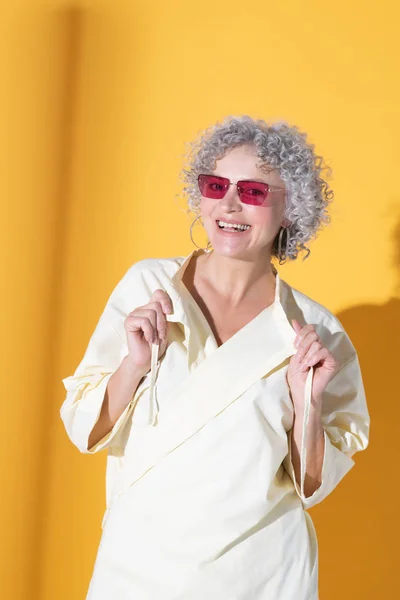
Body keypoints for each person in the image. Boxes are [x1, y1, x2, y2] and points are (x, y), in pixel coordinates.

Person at [61, 115, 369, 599]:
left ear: (292, 208)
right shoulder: (148, 286)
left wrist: (305, 402)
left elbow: (312, 487)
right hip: (138, 564)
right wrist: (134, 365)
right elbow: (85, 428)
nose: (228, 204)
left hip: (262, 574)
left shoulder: (315, 331)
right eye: (215, 185)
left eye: (253, 191)